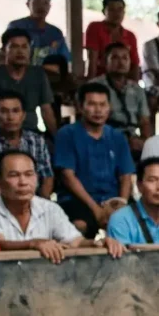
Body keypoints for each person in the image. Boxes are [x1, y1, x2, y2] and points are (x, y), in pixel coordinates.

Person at [0, 150, 121, 262]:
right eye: (14, 175)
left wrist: (99, 243)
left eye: (29, 174)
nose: (23, 182)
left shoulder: (49, 208)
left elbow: (75, 241)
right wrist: (34, 244)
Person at [54, 83, 136, 238]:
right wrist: (96, 210)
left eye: (102, 104)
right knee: (79, 226)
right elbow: (67, 176)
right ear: (80, 107)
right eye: (91, 104)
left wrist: (121, 205)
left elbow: (125, 176)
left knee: (137, 222)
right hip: (79, 200)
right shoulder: (67, 134)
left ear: (109, 107)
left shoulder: (117, 137)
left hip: (113, 200)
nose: (98, 110)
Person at [0, 90, 53, 197]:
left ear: (24, 115)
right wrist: (9, 201)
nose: (10, 117)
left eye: (16, 111)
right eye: (3, 111)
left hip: (34, 200)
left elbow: (47, 175)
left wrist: (43, 202)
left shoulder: (37, 140)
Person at [0, 29, 57, 133]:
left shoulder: (38, 74)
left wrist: (56, 138)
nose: (20, 51)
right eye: (14, 46)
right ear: (4, 50)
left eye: (24, 47)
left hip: (32, 132)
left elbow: (46, 110)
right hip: (1, 134)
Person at [89, 42, 151, 152]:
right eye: (115, 58)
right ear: (105, 62)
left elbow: (144, 121)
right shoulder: (94, 86)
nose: (121, 62)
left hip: (132, 138)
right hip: (104, 136)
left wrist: (146, 143)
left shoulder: (137, 89)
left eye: (125, 58)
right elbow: (89, 121)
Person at [6, 0, 70, 71]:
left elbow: (64, 60)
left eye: (45, 3)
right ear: (28, 4)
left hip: (48, 78)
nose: (41, 7)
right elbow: (6, 55)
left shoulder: (55, 33)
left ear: (50, 6)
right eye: (36, 3)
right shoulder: (16, 27)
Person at [84, 0, 138, 79]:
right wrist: (92, 84)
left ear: (124, 12)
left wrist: (134, 87)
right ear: (103, 11)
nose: (117, 14)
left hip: (123, 81)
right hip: (101, 79)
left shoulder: (130, 36)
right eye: (112, 10)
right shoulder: (95, 28)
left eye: (120, 10)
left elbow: (135, 64)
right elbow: (92, 61)